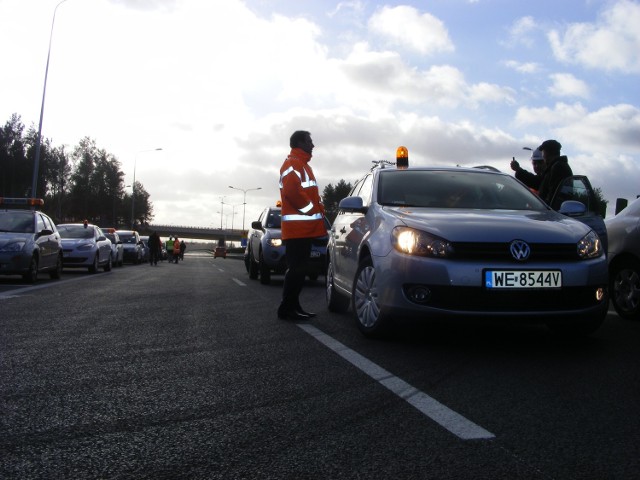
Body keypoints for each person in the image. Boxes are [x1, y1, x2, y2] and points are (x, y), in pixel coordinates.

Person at [277, 130, 326, 321]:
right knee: (296, 270)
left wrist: (317, 208)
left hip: (302, 230)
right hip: (297, 230)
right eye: (309, 141)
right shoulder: (293, 164)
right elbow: (293, 193)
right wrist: (313, 210)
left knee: (299, 270)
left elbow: (306, 194)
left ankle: (293, 306)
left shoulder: (302, 165)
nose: (312, 145)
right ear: (299, 143)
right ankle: (286, 308)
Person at [536, 139, 573, 206]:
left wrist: (546, 207)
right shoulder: (556, 166)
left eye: (543, 152)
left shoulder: (557, 167)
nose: (543, 155)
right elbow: (538, 181)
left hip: (552, 213)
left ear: (547, 153)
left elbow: (553, 193)